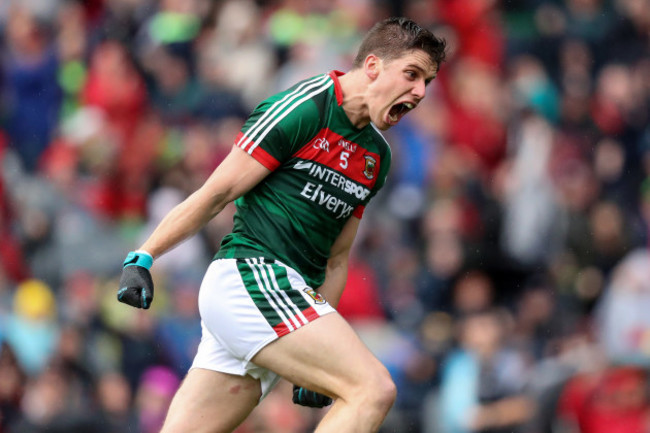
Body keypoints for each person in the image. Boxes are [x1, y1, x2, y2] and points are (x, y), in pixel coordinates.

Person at [117, 17, 446, 433]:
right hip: (252, 280)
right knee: (373, 389)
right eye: (412, 75)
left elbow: (337, 260)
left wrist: (322, 342)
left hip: (280, 300)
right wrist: (144, 256)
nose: (419, 92)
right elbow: (215, 193)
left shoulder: (377, 156)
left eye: (427, 83)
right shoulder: (304, 107)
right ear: (374, 66)